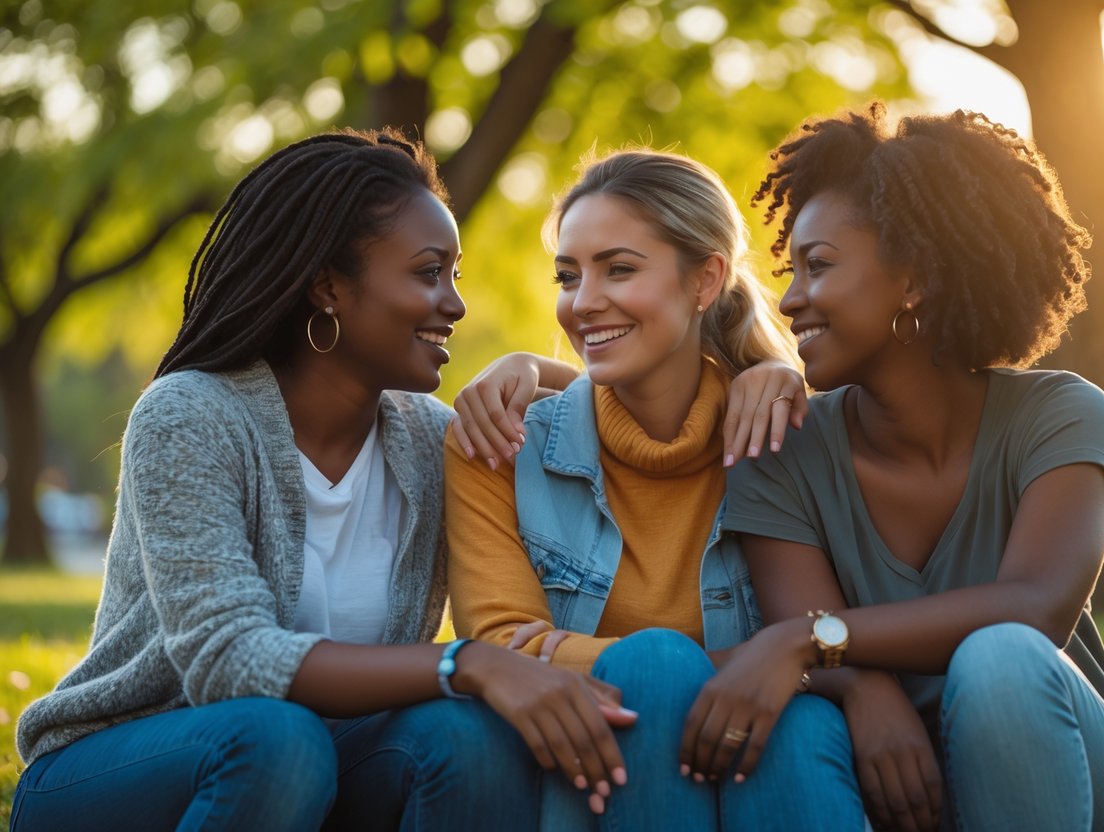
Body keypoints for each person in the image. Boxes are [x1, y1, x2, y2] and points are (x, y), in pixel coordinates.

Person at [10, 128, 636, 832]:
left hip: (322, 761)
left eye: (455, 275)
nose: (455, 304)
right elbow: (228, 659)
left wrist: (531, 366)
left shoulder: (434, 440)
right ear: (328, 286)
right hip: (120, 773)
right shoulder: (191, 415)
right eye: (429, 272)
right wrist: (462, 664)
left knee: (469, 739)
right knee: (278, 740)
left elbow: (632, 426)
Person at [705, 104, 1104, 831]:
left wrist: (809, 640)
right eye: (788, 270)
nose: (790, 297)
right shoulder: (781, 447)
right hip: (907, 791)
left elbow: (1033, 605)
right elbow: (810, 627)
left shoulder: (1058, 415)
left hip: (1084, 785)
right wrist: (860, 684)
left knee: (1001, 658)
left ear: (915, 278)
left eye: (819, 265)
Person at [445, 149, 866, 830]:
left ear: (704, 281)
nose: (582, 303)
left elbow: (829, 630)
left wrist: (575, 654)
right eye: (567, 275)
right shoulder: (499, 441)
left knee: (800, 727)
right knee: (661, 664)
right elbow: (499, 645)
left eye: (619, 269)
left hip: (754, 755)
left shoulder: (783, 437)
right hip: (574, 761)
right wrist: (686, 672)